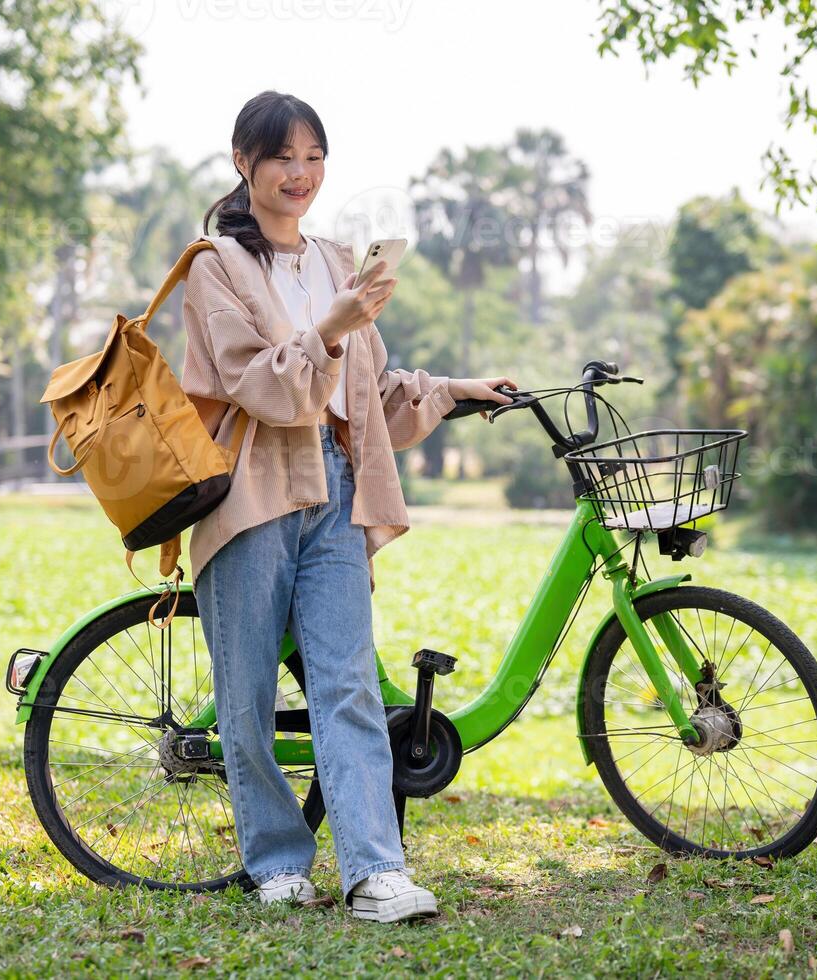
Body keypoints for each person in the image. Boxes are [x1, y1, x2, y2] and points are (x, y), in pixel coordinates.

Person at [180, 90, 517, 922]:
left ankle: (374, 869)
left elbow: (366, 388)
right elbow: (256, 387)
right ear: (241, 163)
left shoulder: (336, 260)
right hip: (251, 492)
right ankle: (276, 862)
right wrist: (326, 328)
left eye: (312, 158)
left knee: (346, 683)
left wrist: (450, 390)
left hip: (334, 490)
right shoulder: (215, 265)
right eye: (281, 158)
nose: (299, 175)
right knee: (248, 693)